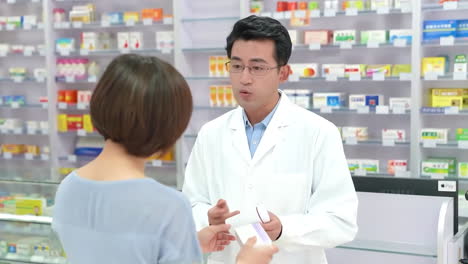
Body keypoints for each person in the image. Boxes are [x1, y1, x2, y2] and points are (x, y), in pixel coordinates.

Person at [52, 54, 278, 264]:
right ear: (168, 126)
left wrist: (189, 244)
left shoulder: (68, 188)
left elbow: (117, 251)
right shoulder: (167, 206)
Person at [182, 15, 358, 264]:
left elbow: (341, 221)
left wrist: (284, 228)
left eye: (257, 67)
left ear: (283, 72)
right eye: (236, 65)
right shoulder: (211, 133)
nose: (244, 78)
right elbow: (191, 204)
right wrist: (208, 216)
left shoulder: (318, 132)